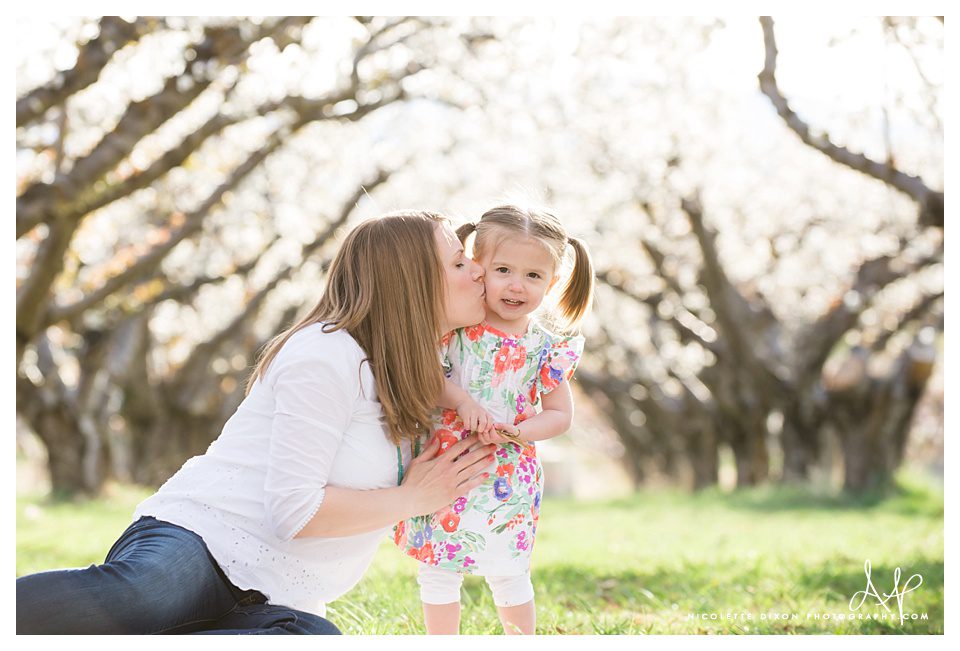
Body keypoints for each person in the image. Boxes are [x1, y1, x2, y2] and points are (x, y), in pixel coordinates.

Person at [16, 210, 499, 634]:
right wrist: (412, 498)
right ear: (409, 283)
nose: (477, 270)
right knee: (144, 598)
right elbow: (295, 511)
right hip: (204, 543)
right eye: (458, 263)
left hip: (277, 601)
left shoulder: (427, 373)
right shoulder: (327, 354)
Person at [392, 204, 595, 635]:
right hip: (446, 462)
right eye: (503, 270)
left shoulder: (545, 346)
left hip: (507, 471)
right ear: (477, 266)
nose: (516, 285)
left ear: (552, 283)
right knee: (439, 568)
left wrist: (520, 431)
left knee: (509, 570)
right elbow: (424, 376)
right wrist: (460, 400)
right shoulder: (457, 326)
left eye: (533, 276)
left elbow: (559, 414)